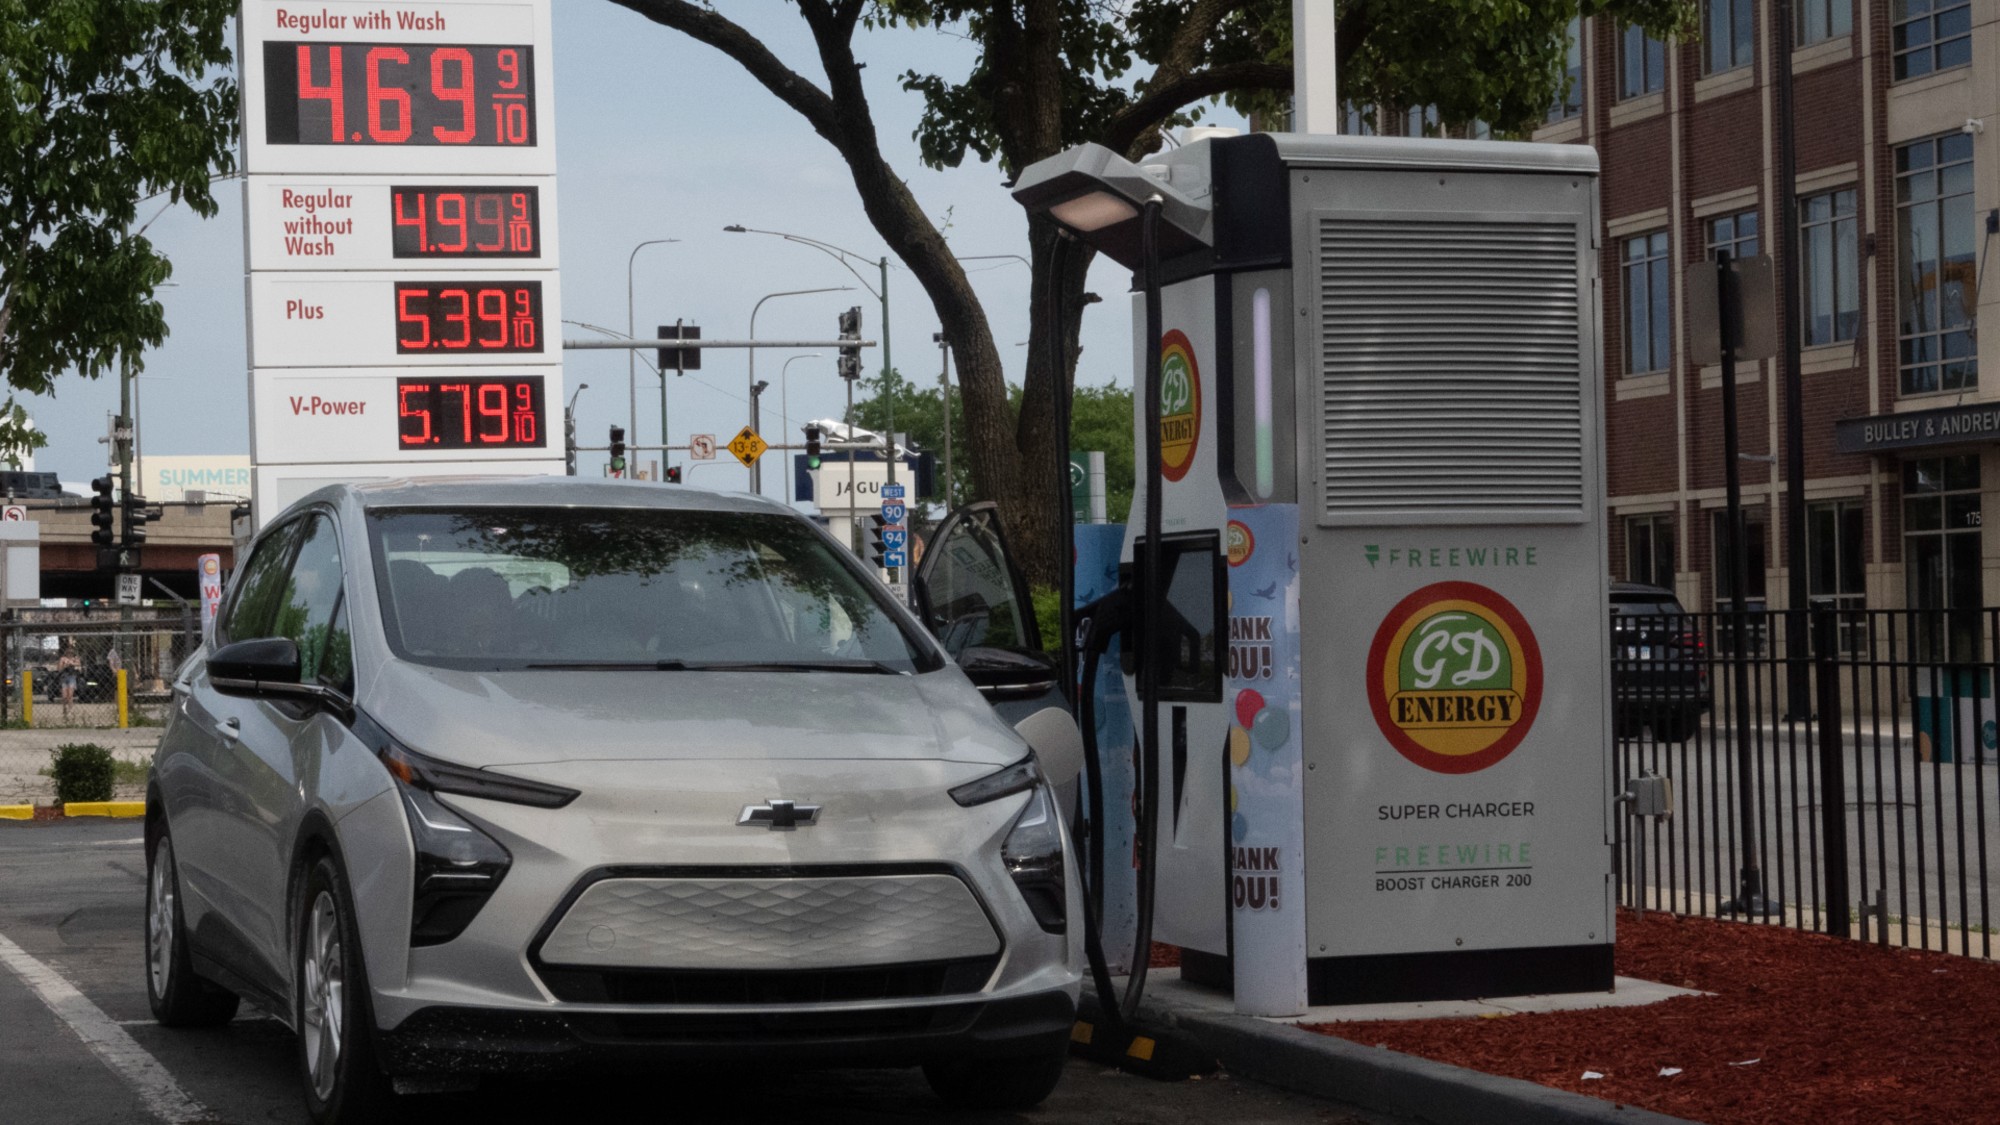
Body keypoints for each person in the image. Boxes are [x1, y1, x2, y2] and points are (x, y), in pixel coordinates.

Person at [56, 642, 79, 721]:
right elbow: (59, 669)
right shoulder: (62, 659)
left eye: (71, 652)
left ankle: (70, 711)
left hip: (71, 677)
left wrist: (72, 663)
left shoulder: (75, 658)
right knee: (64, 696)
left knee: (70, 695)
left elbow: (78, 665)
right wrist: (64, 665)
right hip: (64, 677)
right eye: (68, 652)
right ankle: (64, 708)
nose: (70, 653)